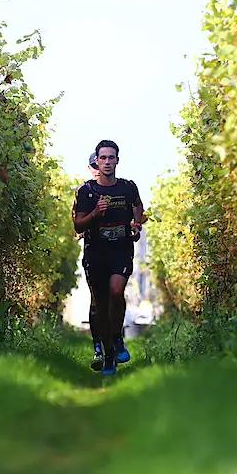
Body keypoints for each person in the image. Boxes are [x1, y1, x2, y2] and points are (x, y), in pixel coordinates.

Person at [73, 140, 144, 375]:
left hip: (120, 250)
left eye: (111, 158)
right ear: (96, 161)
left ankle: (117, 337)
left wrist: (136, 225)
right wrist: (96, 213)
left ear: (117, 161)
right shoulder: (86, 191)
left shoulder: (127, 187)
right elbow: (78, 224)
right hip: (96, 252)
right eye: (102, 158)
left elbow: (138, 205)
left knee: (116, 291)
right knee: (101, 303)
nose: (107, 162)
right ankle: (108, 353)